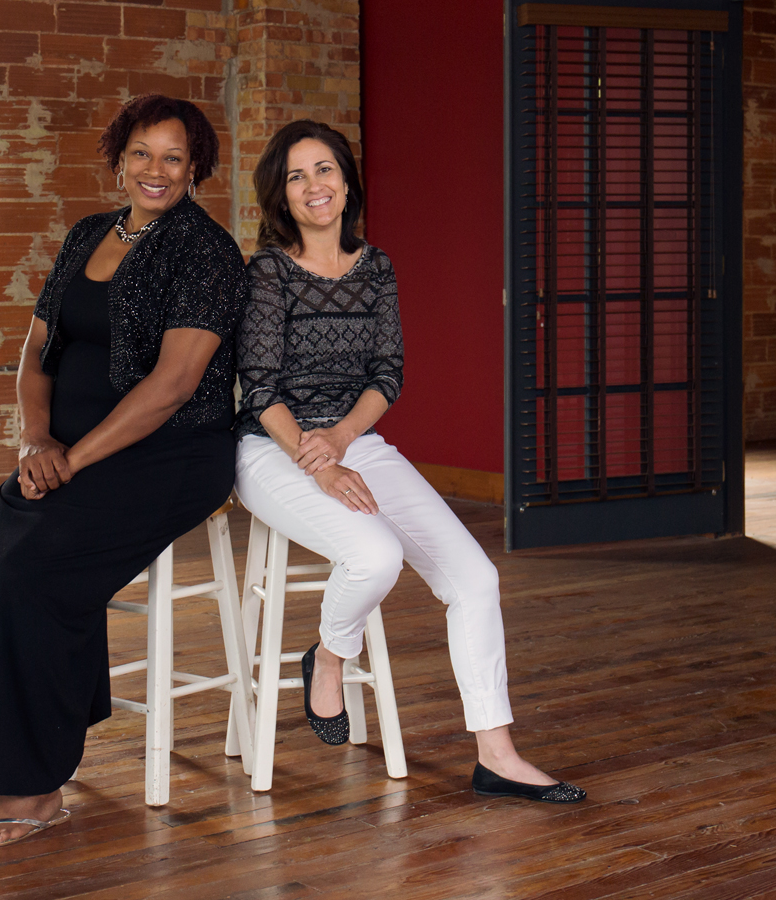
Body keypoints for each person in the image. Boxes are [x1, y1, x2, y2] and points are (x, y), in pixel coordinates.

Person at [0, 94, 248, 849]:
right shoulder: (86, 235)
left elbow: (171, 386)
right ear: (119, 159)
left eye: (173, 156)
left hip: (167, 456)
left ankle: (34, 793)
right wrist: (36, 440)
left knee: (30, 573)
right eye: (141, 153)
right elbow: (37, 350)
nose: (155, 170)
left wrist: (72, 457)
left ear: (196, 166)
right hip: (61, 450)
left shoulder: (206, 251)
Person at [233, 120, 584, 803]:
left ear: (346, 181)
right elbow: (260, 386)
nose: (314, 186)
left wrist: (341, 441)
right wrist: (320, 462)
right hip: (268, 446)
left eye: (325, 169)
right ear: (280, 194)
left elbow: (387, 374)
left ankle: (497, 755)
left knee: (476, 579)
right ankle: (331, 657)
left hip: (352, 438)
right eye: (297, 175)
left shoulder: (376, 267)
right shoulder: (268, 272)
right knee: (375, 556)